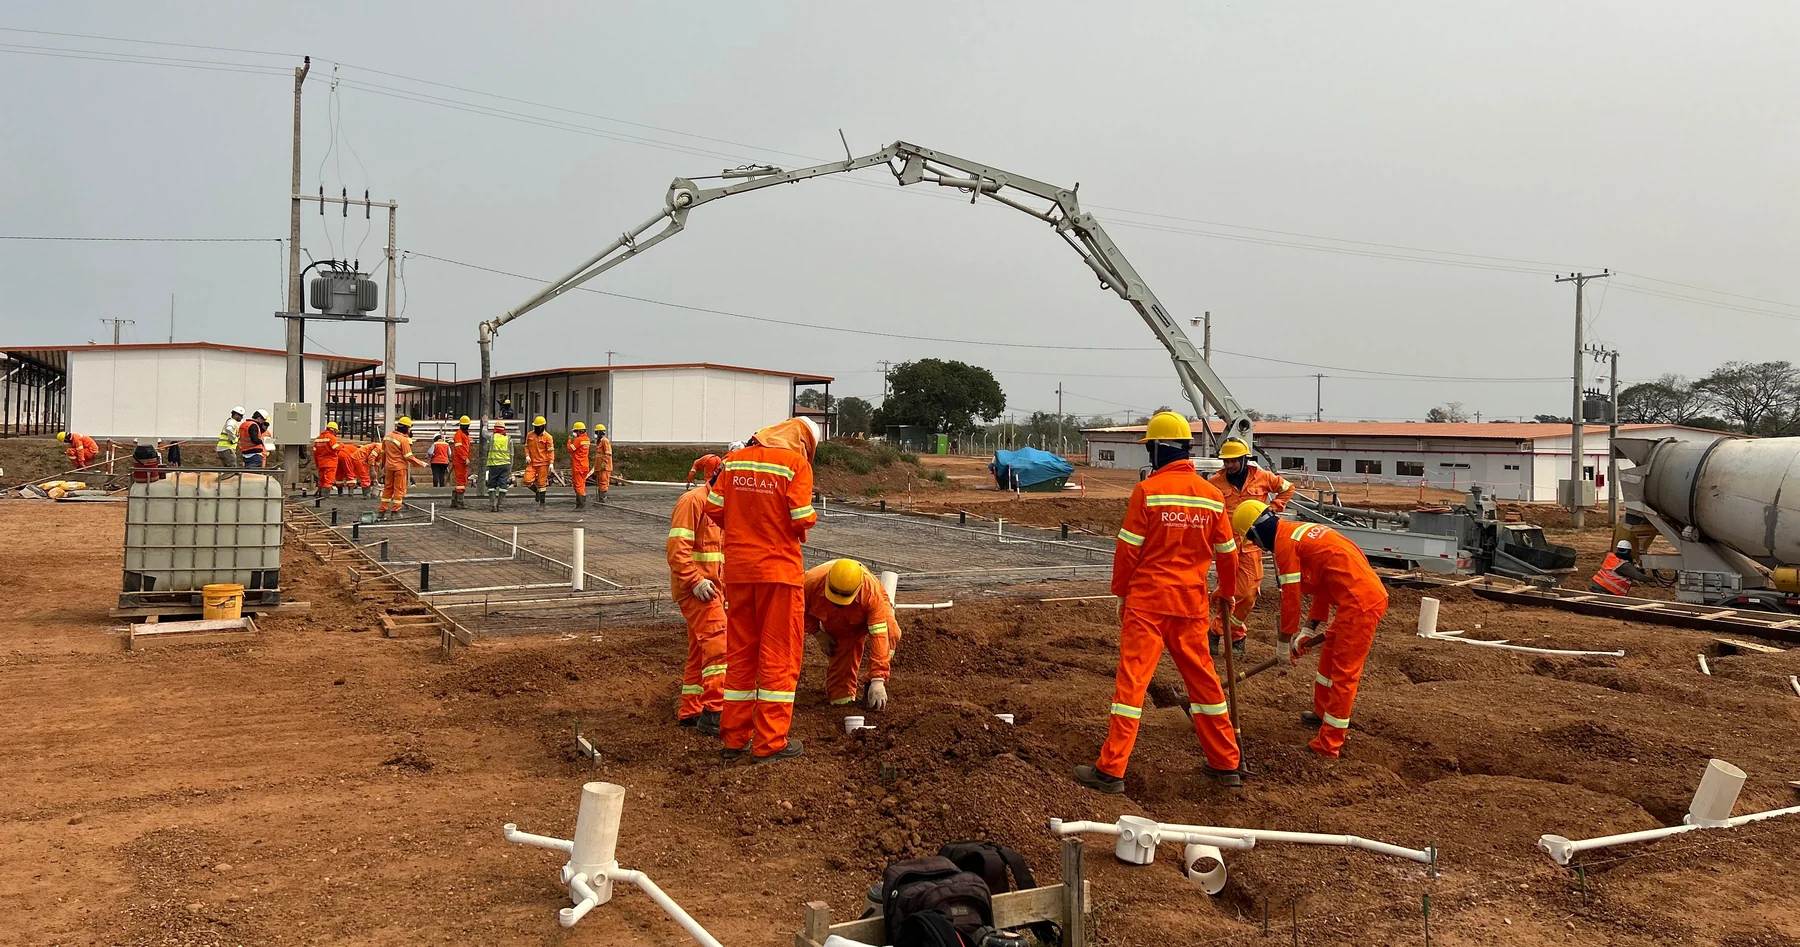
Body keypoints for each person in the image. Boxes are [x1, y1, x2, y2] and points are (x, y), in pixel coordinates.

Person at [1074, 411, 1242, 794]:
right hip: (1191, 605)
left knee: (1132, 686)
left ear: (1159, 448)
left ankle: (1111, 770)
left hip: (1148, 603)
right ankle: (1225, 762)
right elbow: (1228, 553)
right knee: (1205, 684)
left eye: (1150, 447)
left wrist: (1121, 593)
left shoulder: (1147, 492)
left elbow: (1127, 552)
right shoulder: (1213, 496)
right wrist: (1226, 594)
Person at [703, 416, 820, 764]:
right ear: (802, 442)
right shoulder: (795, 464)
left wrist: (746, 523)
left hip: (739, 572)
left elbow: (714, 508)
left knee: (740, 654)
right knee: (779, 656)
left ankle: (735, 739)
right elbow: (801, 516)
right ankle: (770, 742)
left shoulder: (734, 461)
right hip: (779, 573)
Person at [1232, 499, 1388, 760]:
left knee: (1343, 675)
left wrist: (1284, 641)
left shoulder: (1285, 545)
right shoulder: (1298, 531)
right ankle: (1322, 712)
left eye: (1253, 540)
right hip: (1353, 599)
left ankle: (1328, 745)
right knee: (1328, 662)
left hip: (1360, 604)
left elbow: (1291, 597)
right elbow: (1324, 583)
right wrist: (1308, 628)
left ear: (1256, 532)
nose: (1257, 546)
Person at [1208, 437, 1296, 658]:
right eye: (1226, 461)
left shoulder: (1263, 477)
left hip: (1251, 545)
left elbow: (1287, 488)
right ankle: (1236, 638)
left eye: (1233, 461)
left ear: (1244, 459)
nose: (1229, 465)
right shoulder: (1214, 483)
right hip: (1226, 547)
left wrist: (1272, 509)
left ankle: (1216, 629)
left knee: (1247, 594)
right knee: (1227, 593)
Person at [668, 453, 727, 734]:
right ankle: (715, 713)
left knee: (699, 649)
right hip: (697, 590)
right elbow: (677, 549)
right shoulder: (693, 501)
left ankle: (691, 710)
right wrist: (695, 581)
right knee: (719, 644)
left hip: (712, 590)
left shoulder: (723, 505)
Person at [803, 558, 900, 712]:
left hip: (866, 603)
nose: (839, 602)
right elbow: (798, 611)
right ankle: (842, 704)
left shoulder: (871, 593)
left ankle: (872, 684)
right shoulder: (809, 583)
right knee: (841, 651)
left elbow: (879, 635)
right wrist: (818, 634)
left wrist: (878, 678)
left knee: (891, 633)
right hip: (838, 622)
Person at [377, 417, 430, 520]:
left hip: (389, 467)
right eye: (409, 428)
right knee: (399, 490)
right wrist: (421, 463)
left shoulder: (387, 437)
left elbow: (383, 453)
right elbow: (408, 456)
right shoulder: (403, 440)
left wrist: (382, 466)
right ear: (406, 428)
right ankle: (395, 512)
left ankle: (381, 511)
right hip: (399, 468)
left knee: (387, 489)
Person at [523, 416, 555, 508]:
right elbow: (526, 446)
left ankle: (542, 503)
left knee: (542, 483)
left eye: (538, 427)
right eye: (535, 427)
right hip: (532, 462)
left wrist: (551, 463)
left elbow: (550, 451)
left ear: (543, 426)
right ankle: (536, 491)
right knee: (527, 480)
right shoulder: (530, 435)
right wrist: (527, 456)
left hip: (543, 463)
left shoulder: (548, 437)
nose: (536, 428)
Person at [485, 422, 514, 512]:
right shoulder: (508, 439)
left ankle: (493, 505)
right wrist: (511, 467)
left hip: (493, 465)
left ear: (495, 429)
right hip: (505, 465)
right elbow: (512, 454)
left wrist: (485, 422)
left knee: (491, 485)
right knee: (503, 486)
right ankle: (500, 505)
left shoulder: (492, 437)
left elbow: (483, 433)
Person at [313, 422, 341, 496]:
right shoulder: (331, 438)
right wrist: (342, 445)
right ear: (333, 430)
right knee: (328, 481)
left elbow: (315, 453)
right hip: (330, 463)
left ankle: (319, 495)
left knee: (321, 480)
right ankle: (325, 497)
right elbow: (336, 448)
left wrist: (317, 463)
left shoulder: (318, 438)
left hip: (320, 462)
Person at [450, 416, 473, 509]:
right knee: (461, 482)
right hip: (460, 461)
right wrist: (464, 458)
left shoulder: (464, 434)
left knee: (462, 481)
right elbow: (459, 448)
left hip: (461, 461)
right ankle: (459, 502)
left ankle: (455, 501)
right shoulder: (459, 434)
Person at [569, 422, 592, 510]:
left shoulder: (579, 440)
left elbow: (570, 448)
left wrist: (570, 440)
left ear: (578, 431)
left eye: (575, 431)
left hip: (578, 466)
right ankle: (580, 504)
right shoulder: (587, 439)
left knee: (578, 485)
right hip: (585, 465)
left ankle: (581, 504)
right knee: (582, 484)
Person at [593, 423, 614, 503]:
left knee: (603, 483)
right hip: (600, 467)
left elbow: (608, 453)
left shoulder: (605, 441)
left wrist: (604, 463)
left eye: (596, 432)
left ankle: (603, 500)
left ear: (599, 433)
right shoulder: (600, 442)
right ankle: (600, 500)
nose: (595, 435)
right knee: (600, 483)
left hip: (605, 467)